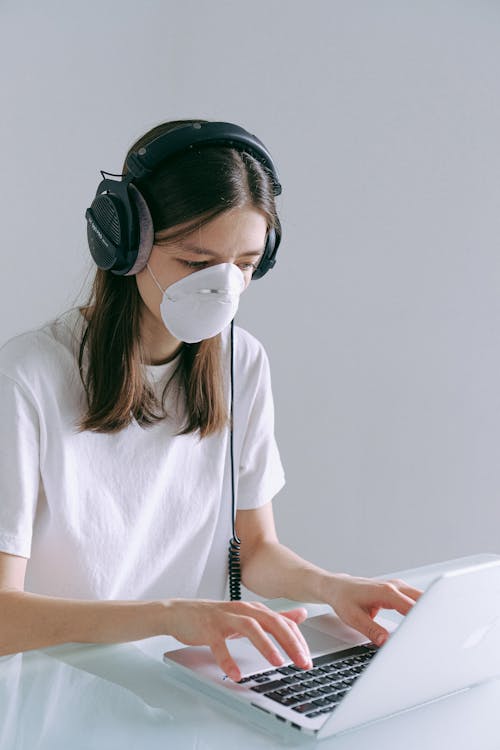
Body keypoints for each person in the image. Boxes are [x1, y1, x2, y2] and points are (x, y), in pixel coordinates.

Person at [0, 119, 421, 683]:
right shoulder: (28, 377)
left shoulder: (240, 362)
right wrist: (170, 617)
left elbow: (256, 547)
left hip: (193, 695)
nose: (222, 287)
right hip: (60, 707)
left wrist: (332, 588)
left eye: (244, 266)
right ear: (125, 243)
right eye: (197, 263)